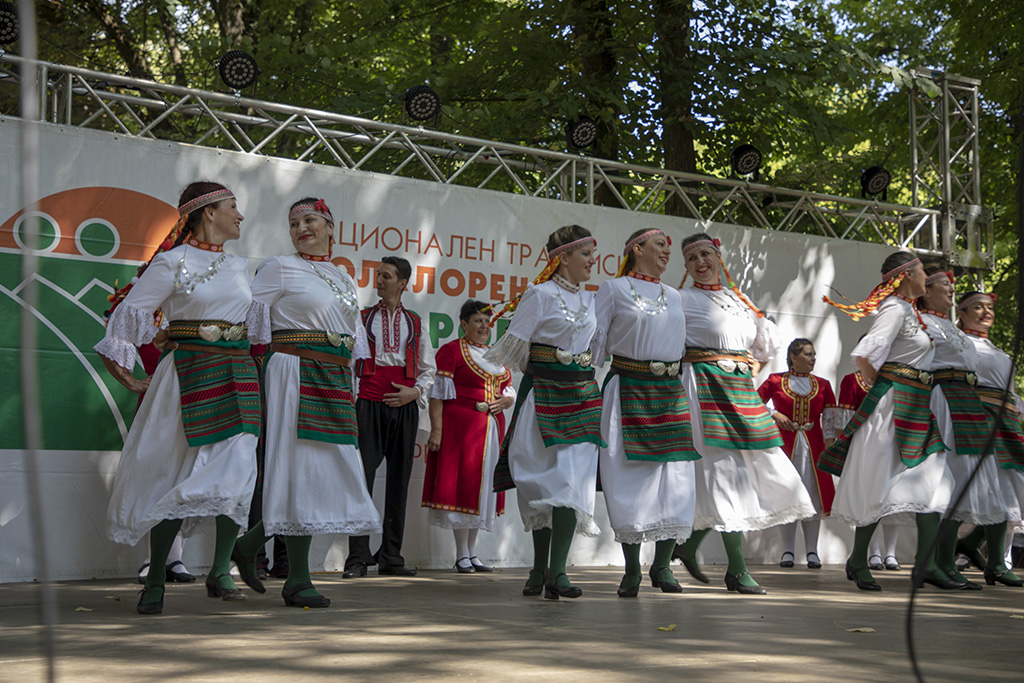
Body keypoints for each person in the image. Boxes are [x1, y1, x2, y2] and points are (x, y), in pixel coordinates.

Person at [96, 181, 260, 614]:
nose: (239, 216)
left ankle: (221, 568)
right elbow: (125, 320)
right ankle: (155, 578)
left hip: (237, 374)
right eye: (232, 207)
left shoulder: (242, 266)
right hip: (187, 373)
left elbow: (257, 326)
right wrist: (131, 378)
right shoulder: (172, 262)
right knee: (174, 474)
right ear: (208, 213)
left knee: (240, 467)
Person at [232, 198, 382, 607]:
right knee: (298, 467)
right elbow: (245, 316)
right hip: (293, 370)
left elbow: (353, 336)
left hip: (333, 376)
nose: (301, 228)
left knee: (324, 472)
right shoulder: (280, 266)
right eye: (294, 222)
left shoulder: (341, 276)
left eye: (310, 219)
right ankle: (297, 577)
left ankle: (251, 544)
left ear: (332, 227)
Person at [671, 233, 815, 595]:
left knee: (763, 467)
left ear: (719, 257)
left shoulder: (739, 300)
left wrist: (751, 366)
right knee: (724, 473)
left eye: (706, 254)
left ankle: (688, 547)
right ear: (686, 267)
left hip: (738, 391)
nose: (700, 262)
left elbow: (763, 346)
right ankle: (736, 569)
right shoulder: (681, 299)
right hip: (702, 387)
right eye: (692, 259)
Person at [820, 251, 955, 591]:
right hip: (894, 406)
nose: (927, 276)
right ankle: (858, 558)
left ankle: (926, 565)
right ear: (907, 275)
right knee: (880, 481)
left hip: (917, 406)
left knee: (935, 482)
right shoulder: (894, 309)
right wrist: (884, 386)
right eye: (923, 270)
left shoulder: (912, 312)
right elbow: (866, 354)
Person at [486, 225, 604, 599]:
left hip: (583, 395)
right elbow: (516, 349)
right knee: (546, 484)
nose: (591, 260)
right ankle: (540, 569)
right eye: (585, 253)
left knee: (571, 482)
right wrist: (550, 365)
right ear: (563, 258)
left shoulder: (591, 299)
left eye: (592, 253)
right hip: (546, 393)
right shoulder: (539, 294)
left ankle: (556, 572)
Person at [592, 228, 698, 597]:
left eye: (669, 247)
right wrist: (586, 387)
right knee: (630, 481)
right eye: (660, 245)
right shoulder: (614, 288)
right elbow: (596, 341)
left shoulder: (674, 295)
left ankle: (663, 566)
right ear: (637, 249)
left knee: (676, 481)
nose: (667, 251)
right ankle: (632, 569)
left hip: (669, 392)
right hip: (628, 389)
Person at [343, 256, 435, 578]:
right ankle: (357, 557)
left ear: (402, 284)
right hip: (369, 402)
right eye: (378, 275)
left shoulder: (416, 322)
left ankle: (391, 555)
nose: (379, 281)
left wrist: (415, 393)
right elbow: (351, 363)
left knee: (399, 480)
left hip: (405, 405)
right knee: (361, 480)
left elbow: (429, 370)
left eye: (386, 276)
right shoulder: (362, 317)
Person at [918, 267, 1006, 590]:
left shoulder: (948, 328)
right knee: (950, 479)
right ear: (926, 291)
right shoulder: (922, 322)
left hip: (965, 402)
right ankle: (940, 561)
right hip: (944, 399)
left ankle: (948, 560)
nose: (951, 289)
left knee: (967, 480)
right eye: (944, 284)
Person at [422, 299, 515, 573]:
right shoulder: (451, 351)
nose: (484, 326)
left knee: (483, 490)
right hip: (461, 430)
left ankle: (472, 553)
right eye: (477, 321)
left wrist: (507, 400)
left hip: (490, 431)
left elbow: (508, 387)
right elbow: (438, 395)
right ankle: (461, 553)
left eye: (487, 321)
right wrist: (436, 431)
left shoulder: (496, 355)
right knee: (463, 488)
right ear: (463, 324)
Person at [957, 290, 1024, 586]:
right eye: (978, 307)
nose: (987, 312)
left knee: (1007, 488)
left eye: (989, 307)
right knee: (974, 488)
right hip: (976, 422)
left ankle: (989, 557)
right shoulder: (960, 344)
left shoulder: (996, 350)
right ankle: (946, 555)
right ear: (962, 312)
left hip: (1005, 425)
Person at [757, 338, 838, 570]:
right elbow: (753, 400)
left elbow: (830, 417)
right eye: (808, 354)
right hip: (785, 446)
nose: (813, 359)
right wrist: (774, 414)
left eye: (814, 355)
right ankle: (788, 551)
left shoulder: (822, 385)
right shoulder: (775, 381)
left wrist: (830, 446)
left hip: (813, 447)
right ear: (793, 357)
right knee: (788, 493)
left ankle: (812, 551)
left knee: (813, 494)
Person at [834, 366, 902, 572]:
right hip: (865, 442)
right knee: (869, 496)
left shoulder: (894, 381)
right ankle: (873, 553)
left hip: (892, 439)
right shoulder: (852, 379)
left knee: (892, 497)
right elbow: (844, 415)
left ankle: (890, 553)